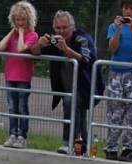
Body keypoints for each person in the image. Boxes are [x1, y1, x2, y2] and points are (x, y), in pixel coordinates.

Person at [30, 11, 104, 155]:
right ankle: (84, 148)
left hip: (87, 88)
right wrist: (39, 45)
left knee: (70, 101)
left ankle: (67, 142)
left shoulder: (83, 39)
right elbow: (33, 54)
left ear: (73, 27)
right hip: (67, 87)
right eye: (58, 28)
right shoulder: (53, 41)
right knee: (80, 116)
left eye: (65, 27)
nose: (61, 31)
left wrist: (66, 49)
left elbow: (87, 60)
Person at [105, 0, 132, 162]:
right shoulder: (113, 26)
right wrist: (117, 29)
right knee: (114, 110)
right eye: (126, 8)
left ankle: (129, 148)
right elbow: (112, 48)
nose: (129, 12)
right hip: (116, 73)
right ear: (122, 9)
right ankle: (111, 146)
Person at [0, 1, 39, 149]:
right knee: (12, 107)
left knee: (22, 107)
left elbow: (21, 49)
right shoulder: (12, 36)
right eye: (17, 20)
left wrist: (20, 33)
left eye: (23, 20)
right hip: (10, 76)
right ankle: (12, 134)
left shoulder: (32, 35)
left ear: (29, 20)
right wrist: (11, 32)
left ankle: (22, 136)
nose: (20, 23)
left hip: (23, 78)